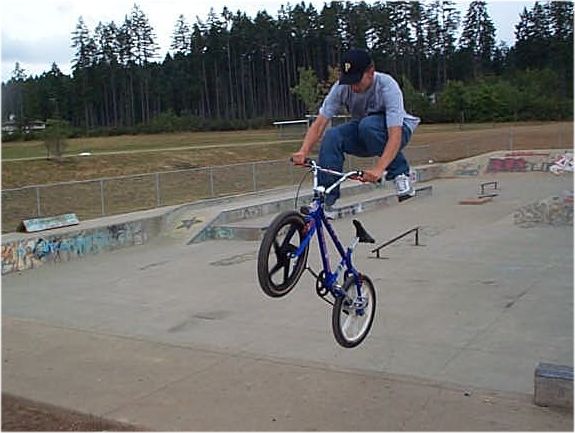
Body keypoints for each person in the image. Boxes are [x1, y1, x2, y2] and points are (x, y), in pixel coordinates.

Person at [291, 48, 420, 208]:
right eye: (349, 81)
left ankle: (400, 173)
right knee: (332, 135)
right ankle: (325, 199)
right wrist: (303, 151)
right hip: (364, 132)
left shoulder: (387, 86)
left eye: (357, 81)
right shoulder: (340, 88)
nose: (353, 87)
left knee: (368, 125)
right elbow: (319, 124)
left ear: (370, 72)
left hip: (398, 130)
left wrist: (379, 169)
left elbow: (395, 134)